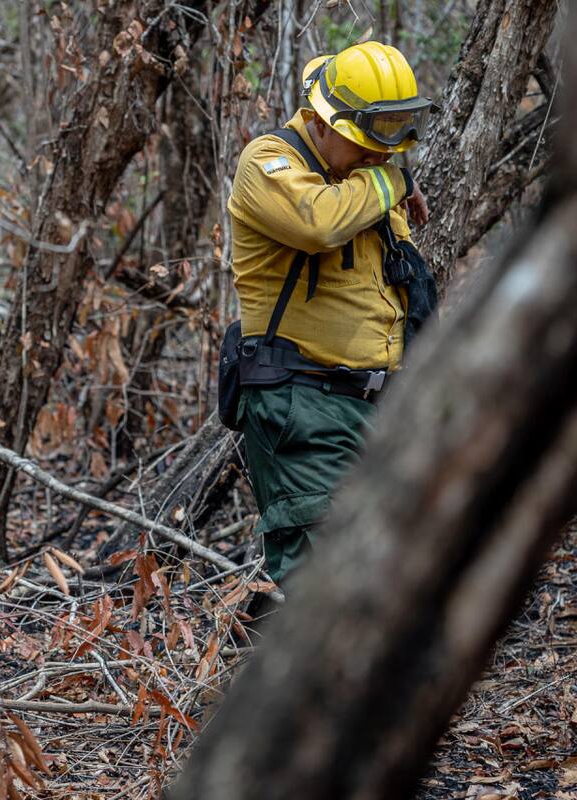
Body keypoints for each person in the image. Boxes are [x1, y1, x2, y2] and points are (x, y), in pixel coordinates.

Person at [227, 41, 435, 584]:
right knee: (324, 582)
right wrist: (394, 182)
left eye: (392, 136)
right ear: (324, 120)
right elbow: (318, 222)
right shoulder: (269, 164)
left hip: (379, 407)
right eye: (367, 140)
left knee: (391, 574)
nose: (380, 154)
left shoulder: (367, 183)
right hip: (303, 405)